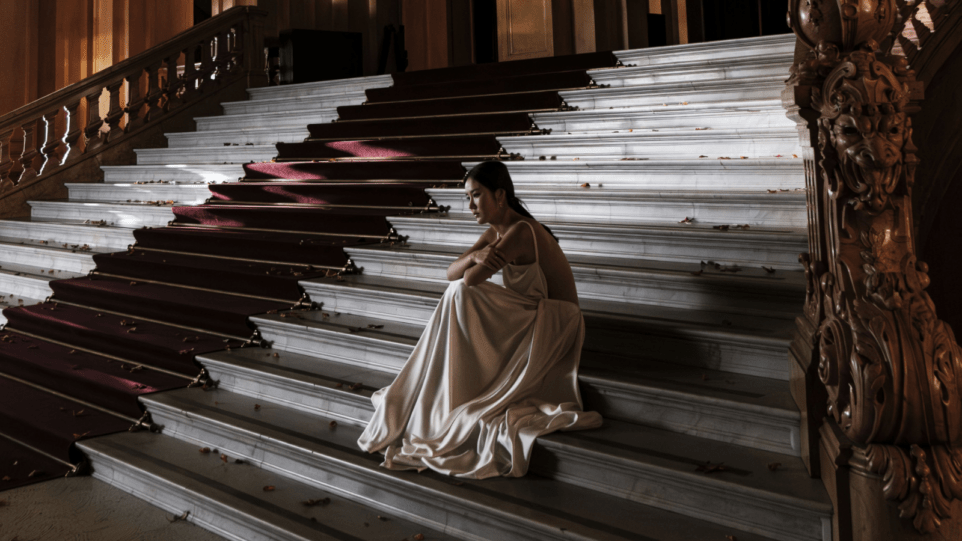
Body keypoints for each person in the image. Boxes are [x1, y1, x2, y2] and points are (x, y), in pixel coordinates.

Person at [357, 160, 602, 479]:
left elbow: (470, 280)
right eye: (467, 197)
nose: (470, 205)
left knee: (462, 294)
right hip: (533, 314)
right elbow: (451, 272)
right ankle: (448, 385)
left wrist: (474, 262)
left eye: (476, 195)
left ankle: (453, 387)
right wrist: (474, 255)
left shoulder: (520, 232)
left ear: (500, 195)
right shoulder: (496, 231)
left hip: (556, 323)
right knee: (456, 291)